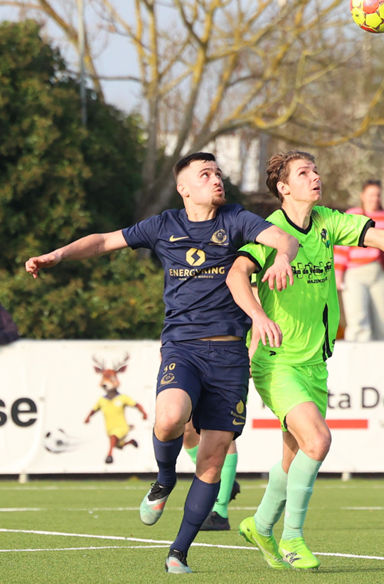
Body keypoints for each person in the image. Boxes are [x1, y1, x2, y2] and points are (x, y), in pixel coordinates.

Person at [24, 152, 298, 573]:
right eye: (205, 175)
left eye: (218, 174)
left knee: (213, 457)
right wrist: (57, 256)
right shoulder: (163, 225)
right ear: (184, 188)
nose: (216, 180)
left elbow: (284, 239)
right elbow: (102, 241)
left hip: (229, 354)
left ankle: (179, 551)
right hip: (182, 347)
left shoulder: (236, 218)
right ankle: (165, 478)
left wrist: (281, 256)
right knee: (169, 419)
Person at [226, 150, 384, 570]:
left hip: (314, 365)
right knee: (318, 441)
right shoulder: (269, 232)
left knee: (293, 456)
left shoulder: (327, 222)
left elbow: (382, 239)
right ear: (283, 187)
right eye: (304, 173)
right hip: (276, 362)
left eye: (315, 170)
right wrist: (258, 316)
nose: (315, 177)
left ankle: (260, 526)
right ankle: (293, 539)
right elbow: (235, 275)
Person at [334, 180, 384, 341]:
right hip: (355, 274)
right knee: (358, 321)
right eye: (371, 195)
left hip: (380, 274)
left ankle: (379, 363)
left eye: (377, 195)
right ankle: (356, 360)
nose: (374, 199)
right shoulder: (353, 214)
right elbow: (342, 247)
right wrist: (338, 273)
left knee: (382, 324)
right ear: (362, 196)